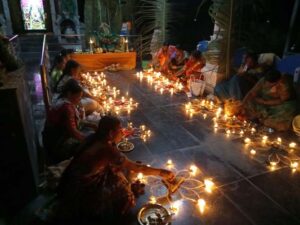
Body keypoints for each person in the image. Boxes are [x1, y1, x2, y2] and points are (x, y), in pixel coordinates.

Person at [56, 116, 174, 220]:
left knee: (119, 169)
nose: (122, 133)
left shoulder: (93, 138)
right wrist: (161, 172)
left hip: (68, 183)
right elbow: (137, 168)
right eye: (119, 130)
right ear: (111, 133)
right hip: (80, 191)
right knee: (125, 192)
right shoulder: (108, 150)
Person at [42, 79, 87, 164]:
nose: (80, 99)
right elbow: (72, 131)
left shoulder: (62, 100)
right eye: (78, 96)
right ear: (69, 94)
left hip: (50, 138)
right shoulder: (67, 108)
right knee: (87, 148)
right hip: (57, 144)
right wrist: (87, 140)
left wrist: (91, 125)